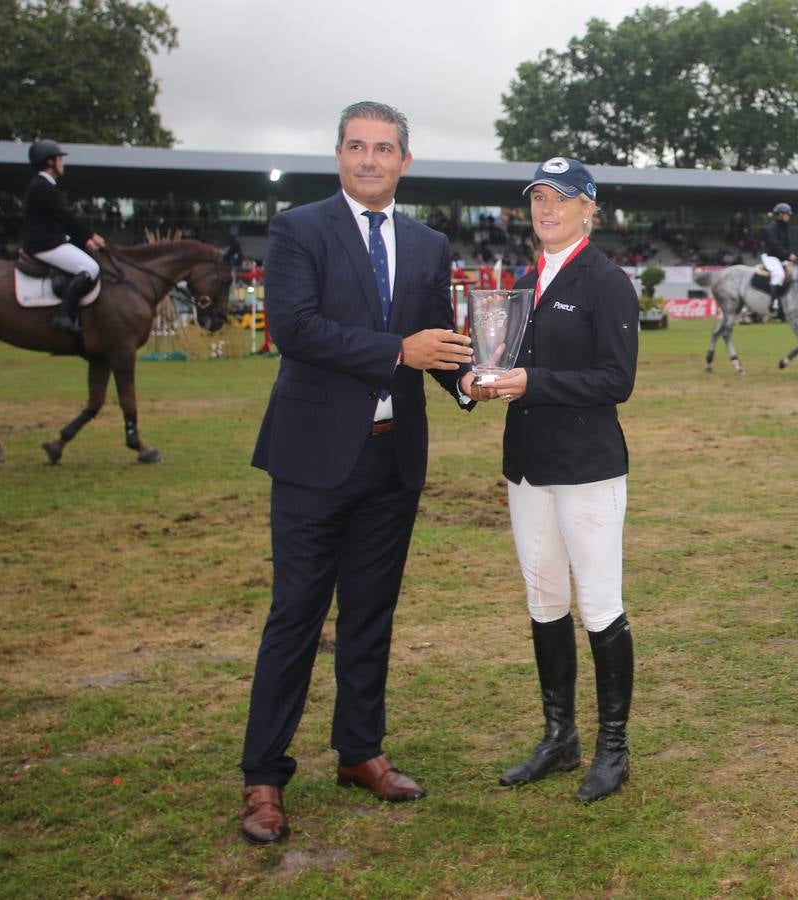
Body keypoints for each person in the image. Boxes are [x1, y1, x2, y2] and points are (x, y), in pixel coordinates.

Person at [239, 101, 485, 845]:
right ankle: (262, 778)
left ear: (405, 161)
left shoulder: (426, 241)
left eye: (384, 148)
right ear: (338, 154)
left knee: (371, 614)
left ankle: (360, 753)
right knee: (296, 616)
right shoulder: (298, 228)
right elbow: (296, 329)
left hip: (392, 458)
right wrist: (395, 354)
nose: (370, 159)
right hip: (314, 458)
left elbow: (434, 340)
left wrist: (471, 381)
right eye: (356, 146)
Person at [476, 157, 639, 803]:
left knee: (599, 605)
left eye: (561, 198)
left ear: (587, 208)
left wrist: (531, 383)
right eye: (538, 198)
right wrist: (474, 381)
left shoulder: (606, 282)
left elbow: (615, 381)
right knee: (544, 601)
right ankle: (560, 736)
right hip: (528, 467)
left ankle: (613, 749)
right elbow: (499, 361)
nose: (547, 209)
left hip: (588, 469)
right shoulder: (519, 281)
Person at [23, 139, 105, 335]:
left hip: (51, 240)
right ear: (50, 162)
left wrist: (83, 239)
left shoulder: (44, 185)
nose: (63, 163)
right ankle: (63, 316)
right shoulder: (43, 186)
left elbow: (58, 219)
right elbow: (64, 216)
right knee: (91, 268)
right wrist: (89, 235)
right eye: (60, 158)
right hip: (45, 244)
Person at [761, 202, 797, 320]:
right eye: (787, 214)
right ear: (780, 214)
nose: (789, 216)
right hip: (770, 257)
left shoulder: (785, 228)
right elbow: (774, 246)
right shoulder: (770, 228)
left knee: (795, 274)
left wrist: (790, 256)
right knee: (779, 274)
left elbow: (787, 244)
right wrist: (788, 255)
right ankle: (774, 304)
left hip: (781, 258)